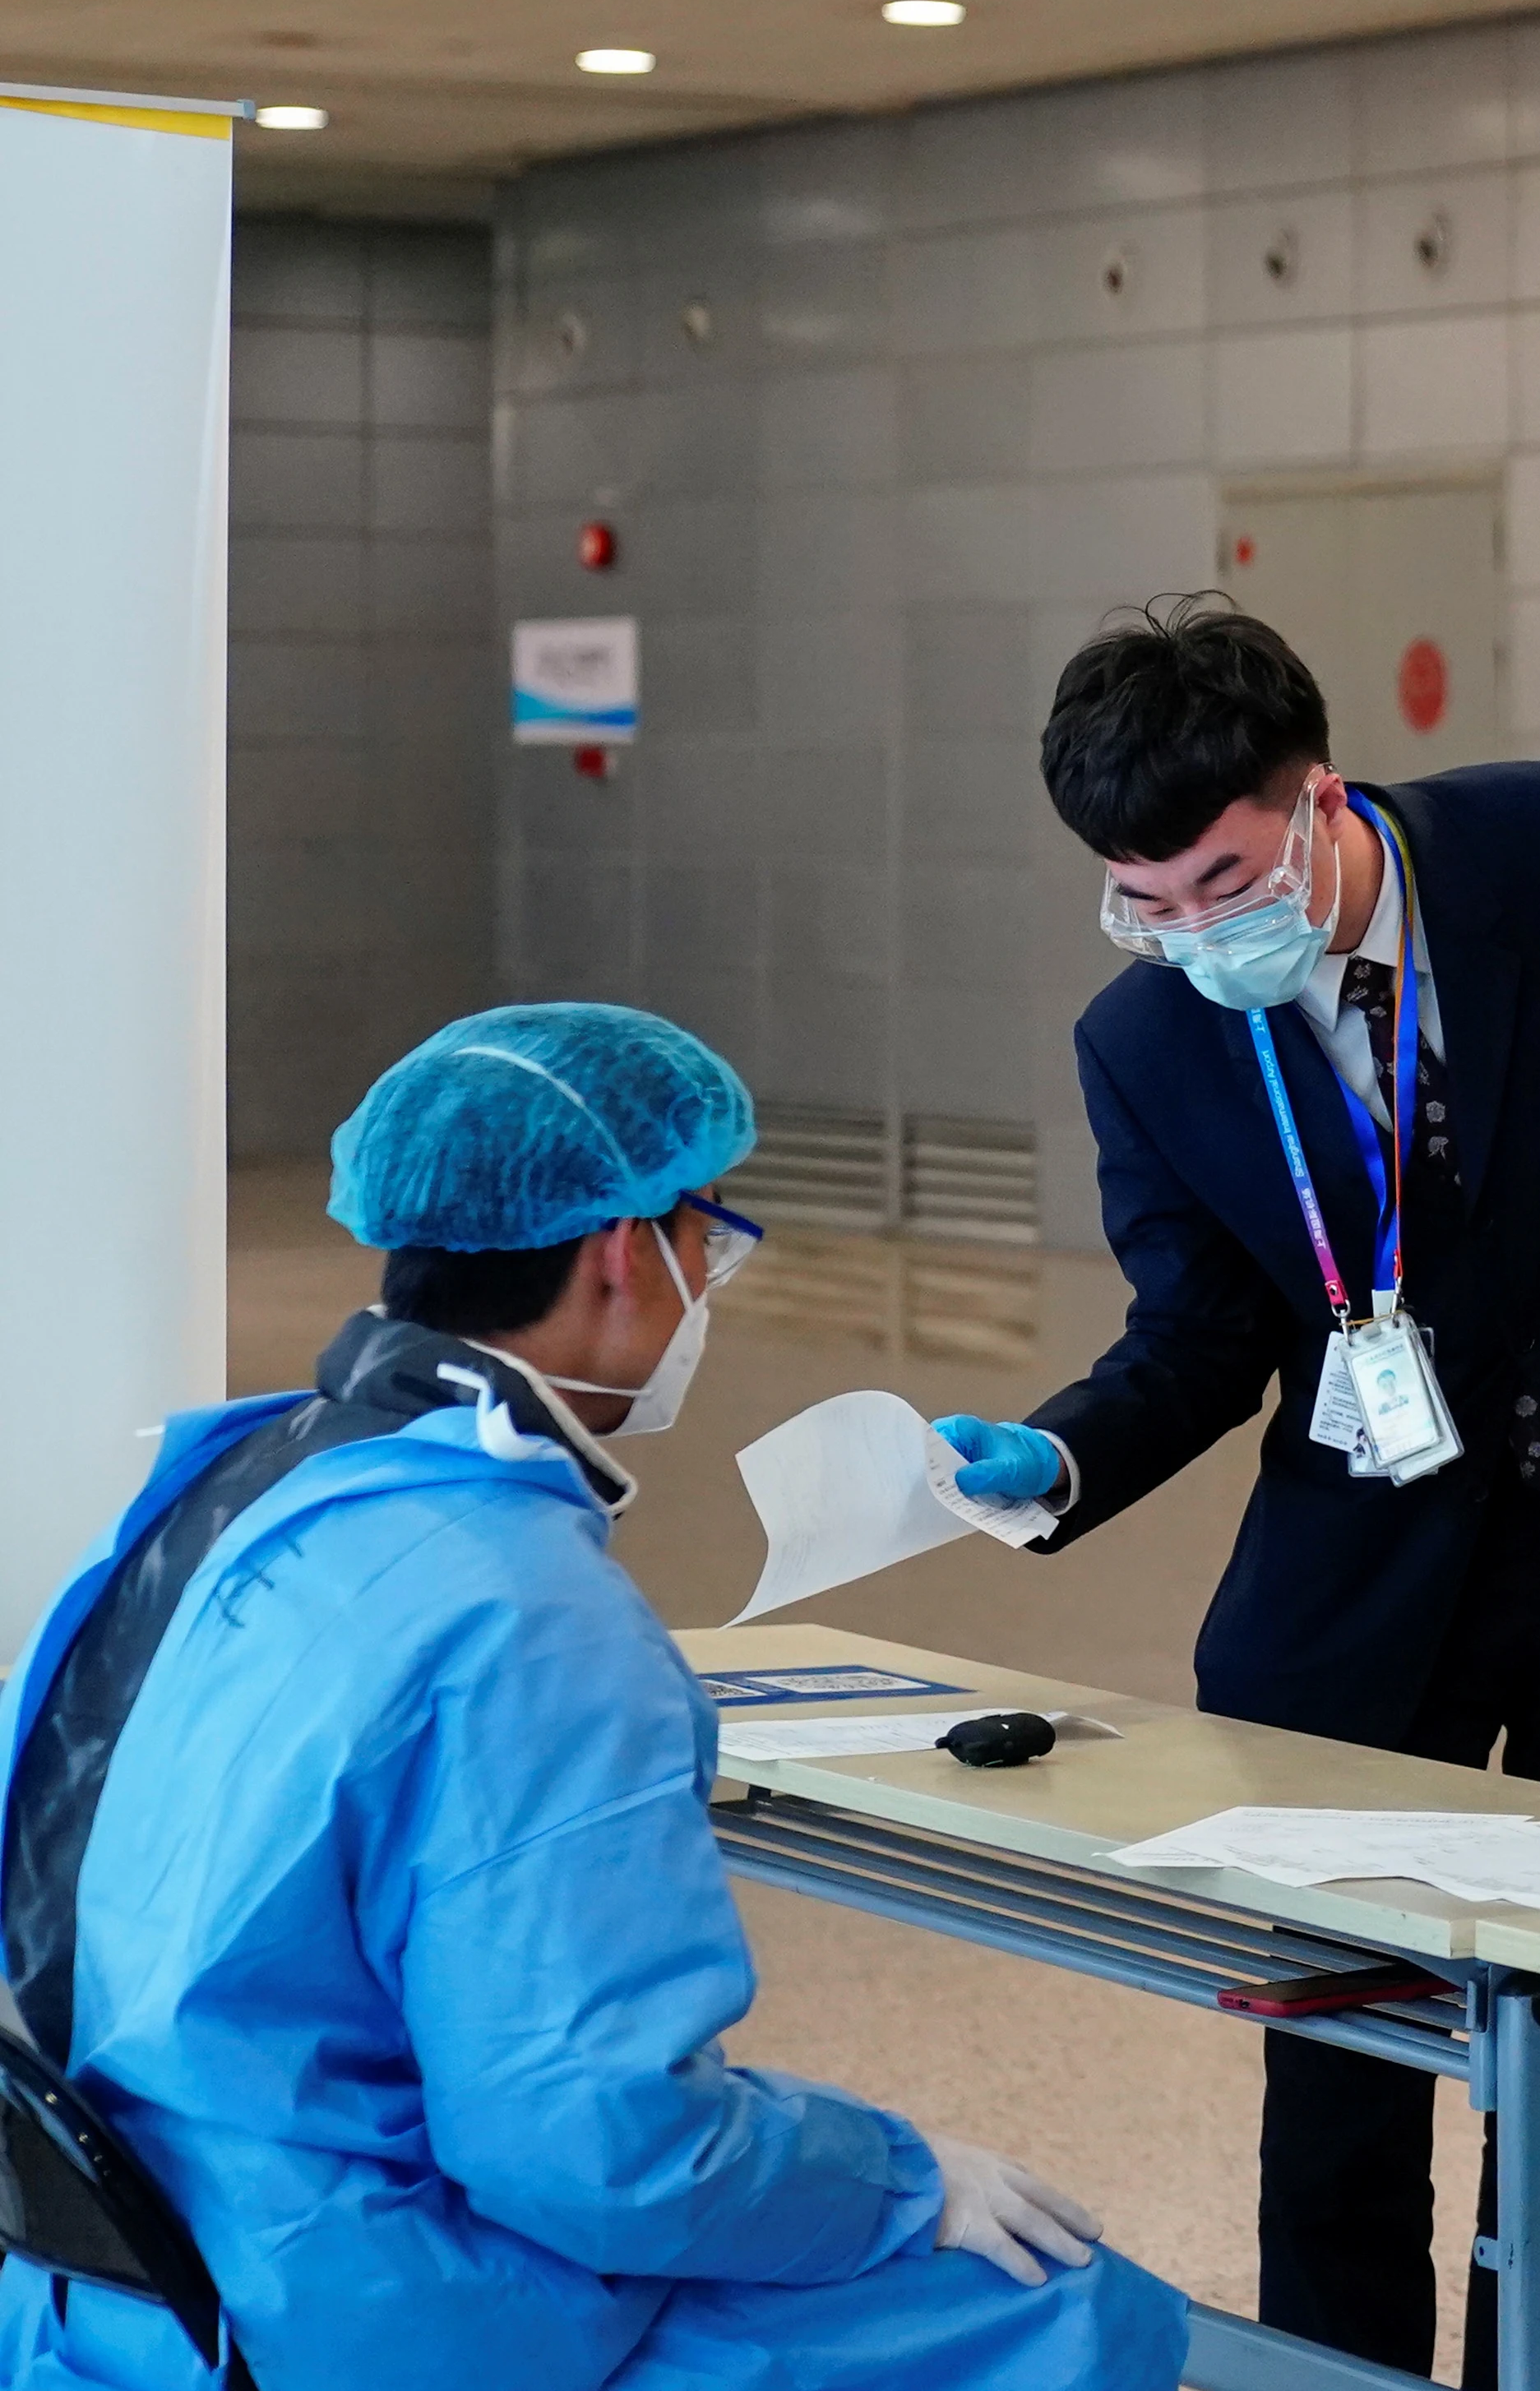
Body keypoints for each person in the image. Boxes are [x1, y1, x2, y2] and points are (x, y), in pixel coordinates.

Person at [927, 600, 1540, 2389]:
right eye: (1138, 897)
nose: (1185, 930)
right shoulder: (1144, 1039)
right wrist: (1066, 1450)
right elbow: (1201, 1330)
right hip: (1363, 1572)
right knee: (1341, 2070)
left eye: (1222, 878)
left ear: (1319, 797)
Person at [0, 1006, 1182, 2391]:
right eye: (708, 1245)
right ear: (627, 1252)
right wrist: (899, 2180)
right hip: (344, 2310)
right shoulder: (530, 1613)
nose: (705, 1286)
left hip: (99, 2277)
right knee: (1081, 2313)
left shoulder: (228, 1478)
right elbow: (596, 2151)